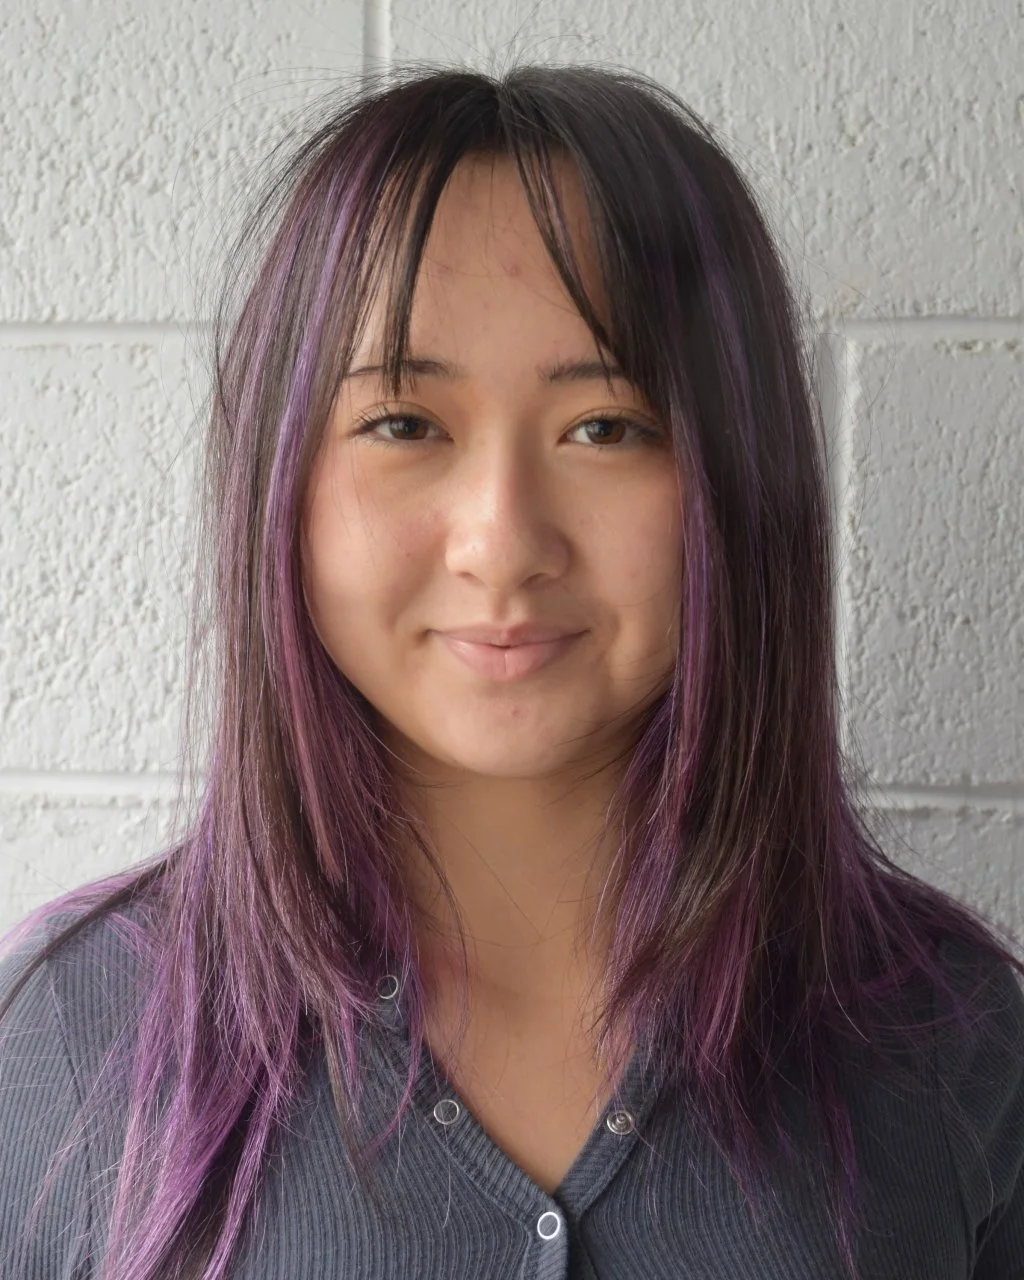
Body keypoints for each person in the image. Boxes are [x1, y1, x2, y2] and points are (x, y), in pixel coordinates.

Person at [1, 62, 1022, 1280]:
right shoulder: (65, 1041)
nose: (501, 541)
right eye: (404, 423)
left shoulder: (948, 1037)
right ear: (283, 484)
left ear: (740, 481)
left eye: (606, 427)